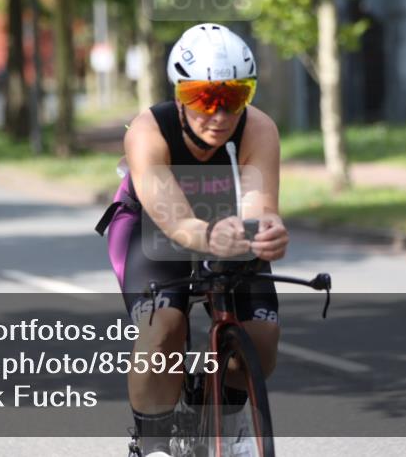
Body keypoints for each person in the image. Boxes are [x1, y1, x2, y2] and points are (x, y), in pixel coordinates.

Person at [115, 23, 288, 457]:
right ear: (179, 95)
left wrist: (264, 233)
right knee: (164, 325)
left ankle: (224, 423)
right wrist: (209, 235)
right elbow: (177, 224)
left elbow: (258, 209)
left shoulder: (259, 129)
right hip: (155, 225)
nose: (219, 114)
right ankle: (151, 442)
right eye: (203, 98)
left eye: (233, 98)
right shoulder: (147, 131)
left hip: (223, 224)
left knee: (262, 336)